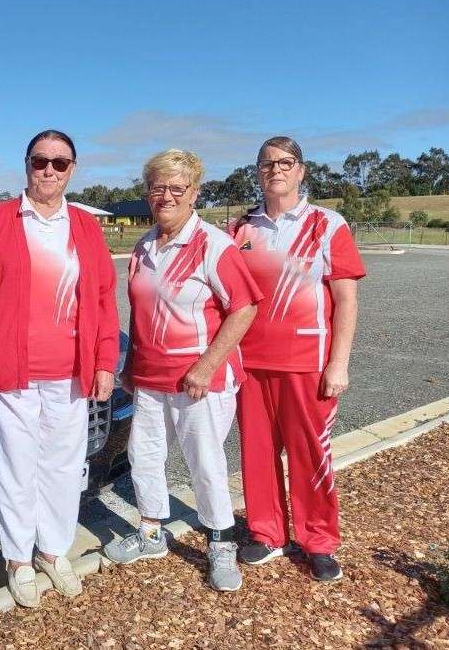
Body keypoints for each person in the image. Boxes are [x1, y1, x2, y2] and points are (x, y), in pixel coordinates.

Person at [0, 129, 119, 607]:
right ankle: (18, 559)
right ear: (26, 165)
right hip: (7, 369)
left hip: (70, 373)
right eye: (40, 161)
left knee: (64, 467)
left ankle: (51, 550)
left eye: (59, 162)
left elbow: (105, 300)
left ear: (73, 169)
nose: (49, 170)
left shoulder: (86, 227)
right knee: (14, 465)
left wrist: (104, 362)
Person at [104, 149, 262, 592]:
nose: (167, 196)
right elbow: (138, 312)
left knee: (205, 463)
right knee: (144, 456)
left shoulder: (214, 245)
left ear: (194, 193)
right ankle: (151, 531)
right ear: (147, 193)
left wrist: (207, 366)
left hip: (200, 380)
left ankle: (220, 541)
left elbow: (243, 309)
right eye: (158, 188)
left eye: (178, 188)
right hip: (151, 378)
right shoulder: (143, 246)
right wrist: (131, 365)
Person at [230, 136, 366, 582]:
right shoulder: (240, 228)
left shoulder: (327, 223)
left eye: (285, 162)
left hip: (308, 362)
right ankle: (266, 532)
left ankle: (319, 541)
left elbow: (346, 299)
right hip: (251, 364)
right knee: (257, 452)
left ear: (301, 170)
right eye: (267, 163)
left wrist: (339, 362)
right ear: (258, 171)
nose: (275, 170)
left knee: (311, 455)